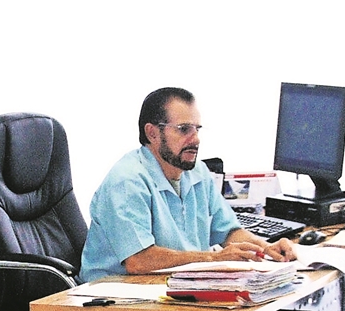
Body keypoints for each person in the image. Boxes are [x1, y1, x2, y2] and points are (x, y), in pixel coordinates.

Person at [80, 87, 295, 282]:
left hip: (173, 287)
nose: (196, 139)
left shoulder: (197, 172)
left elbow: (228, 232)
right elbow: (139, 261)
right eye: (184, 129)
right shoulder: (127, 181)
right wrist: (213, 258)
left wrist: (267, 249)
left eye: (197, 129)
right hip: (115, 298)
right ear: (152, 133)